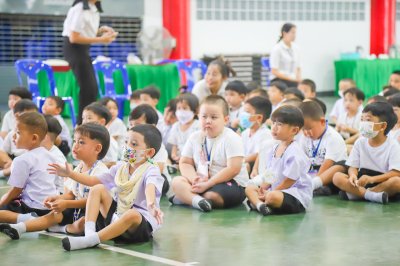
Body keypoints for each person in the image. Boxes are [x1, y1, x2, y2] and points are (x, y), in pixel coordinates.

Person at [48, 124, 164, 251]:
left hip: (137, 227)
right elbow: (93, 181)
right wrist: (70, 174)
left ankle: (91, 241)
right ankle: (89, 233)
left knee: (132, 214)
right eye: (126, 142)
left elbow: (150, 187)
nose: (127, 147)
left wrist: (151, 205)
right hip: (117, 216)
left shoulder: (152, 170)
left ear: (149, 152)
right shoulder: (121, 167)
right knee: (97, 188)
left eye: (134, 144)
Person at [0, 123, 109, 240]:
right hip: (75, 210)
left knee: (82, 223)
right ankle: (19, 228)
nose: (75, 146)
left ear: (97, 148)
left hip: (93, 215)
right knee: (55, 214)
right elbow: (72, 194)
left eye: (81, 142)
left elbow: (92, 201)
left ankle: (61, 228)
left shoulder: (100, 171)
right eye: (75, 141)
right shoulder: (79, 168)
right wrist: (57, 198)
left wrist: (67, 204)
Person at [169, 95, 249, 212]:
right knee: (176, 182)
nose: (208, 121)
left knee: (212, 196)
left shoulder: (232, 138)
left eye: (214, 117)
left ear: (226, 120)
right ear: (198, 117)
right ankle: (198, 201)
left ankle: (186, 198)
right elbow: (185, 162)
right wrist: (194, 179)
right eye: (204, 116)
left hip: (231, 183)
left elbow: (233, 169)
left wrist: (208, 184)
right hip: (202, 181)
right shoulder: (195, 137)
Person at [245, 105, 312, 216]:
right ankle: (260, 206)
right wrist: (263, 188)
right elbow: (270, 173)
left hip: (294, 194)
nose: (274, 127)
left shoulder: (295, 152)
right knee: (249, 188)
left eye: (279, 124)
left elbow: (289, 181)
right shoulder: (274, 148)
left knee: (272, 197)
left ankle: (261, 203)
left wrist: (270, 192)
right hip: (276, 189)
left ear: (294, 130)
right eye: (273, 123)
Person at [62, 0, 118, 124]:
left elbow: (84, 32)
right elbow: (74, 37)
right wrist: (101, 39)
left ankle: (86, 123)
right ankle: (82, 125)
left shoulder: (93, 8)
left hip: (83, 49)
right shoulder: (80, 8)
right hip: (74, 49)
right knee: (88, 89)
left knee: (91, 89)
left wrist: (101, 31)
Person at [333, 102, 400, 204]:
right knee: (337, 176)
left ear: (382, 126)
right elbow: (353, 166)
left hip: (381, 180)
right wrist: (353, 175)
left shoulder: (393, 145)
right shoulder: (360, 142)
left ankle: (356, 195)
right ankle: (371, 196)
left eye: (368, 120)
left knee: (396, 182)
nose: (364, 123)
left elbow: (396, 173)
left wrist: (372, 179)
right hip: (362, 179)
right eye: (362, 119)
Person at [0, 112, 57, 223]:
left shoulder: (21, 160)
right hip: (48, 207)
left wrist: (2, 202)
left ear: (34, 138)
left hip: (32, 207)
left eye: (18, 132)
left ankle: (29, 218)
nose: (13, 136)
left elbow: (16, 190)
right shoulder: (50, 155)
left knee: (3, 210)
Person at [298, 101, 347, 195]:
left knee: (338, 168)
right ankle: (314, 186)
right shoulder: (304, 137)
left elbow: (328, 163)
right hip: (313, 172)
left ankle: (314, 185)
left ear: (322, 122)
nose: (306, 133)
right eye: (303, 129)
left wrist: (314, 181)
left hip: (328, 172)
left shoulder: (333, 137)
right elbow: (301, 159)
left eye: (309, 128)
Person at [0, 99, 38, 177]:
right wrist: (8, 161)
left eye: (35, 115)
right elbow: (3, 151)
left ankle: (6, 172)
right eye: (30, 115)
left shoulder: (37, 132)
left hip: (30, 162)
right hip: (15, 159)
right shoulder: (12, 133)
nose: (33, 118)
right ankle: (10, 169)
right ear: (17, 116)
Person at [239, 96, 272, 171]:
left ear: (259, 117)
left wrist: (241, 161)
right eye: (244, 111)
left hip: (254, 168)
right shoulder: (245, 132)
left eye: (247, 112)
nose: (243, 115)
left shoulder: (266, 134)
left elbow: (258, 154)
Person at [168, 93, 200, 164]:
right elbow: (174, 145)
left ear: (194, 111)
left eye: (185, 108)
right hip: (179, 159)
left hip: (194, 159)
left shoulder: (198, 125)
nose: (181, 111)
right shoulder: (175, 126)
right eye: (179, 108)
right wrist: (174, 155)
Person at [270, 23, 301, 87]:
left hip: (292, 79)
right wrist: (291, 79)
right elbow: (274, 71)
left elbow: (298, 67)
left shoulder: (296, 48)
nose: (294, 35)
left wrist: (298, 79)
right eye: (292, 32)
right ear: (284, 33)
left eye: (295, 33)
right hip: (279, 80)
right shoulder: (277, 49)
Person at [42, 115, 67, 195]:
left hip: (55, 196)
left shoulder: (55, 157)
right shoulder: (41, 151)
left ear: (44, 136)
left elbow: (60, 187)